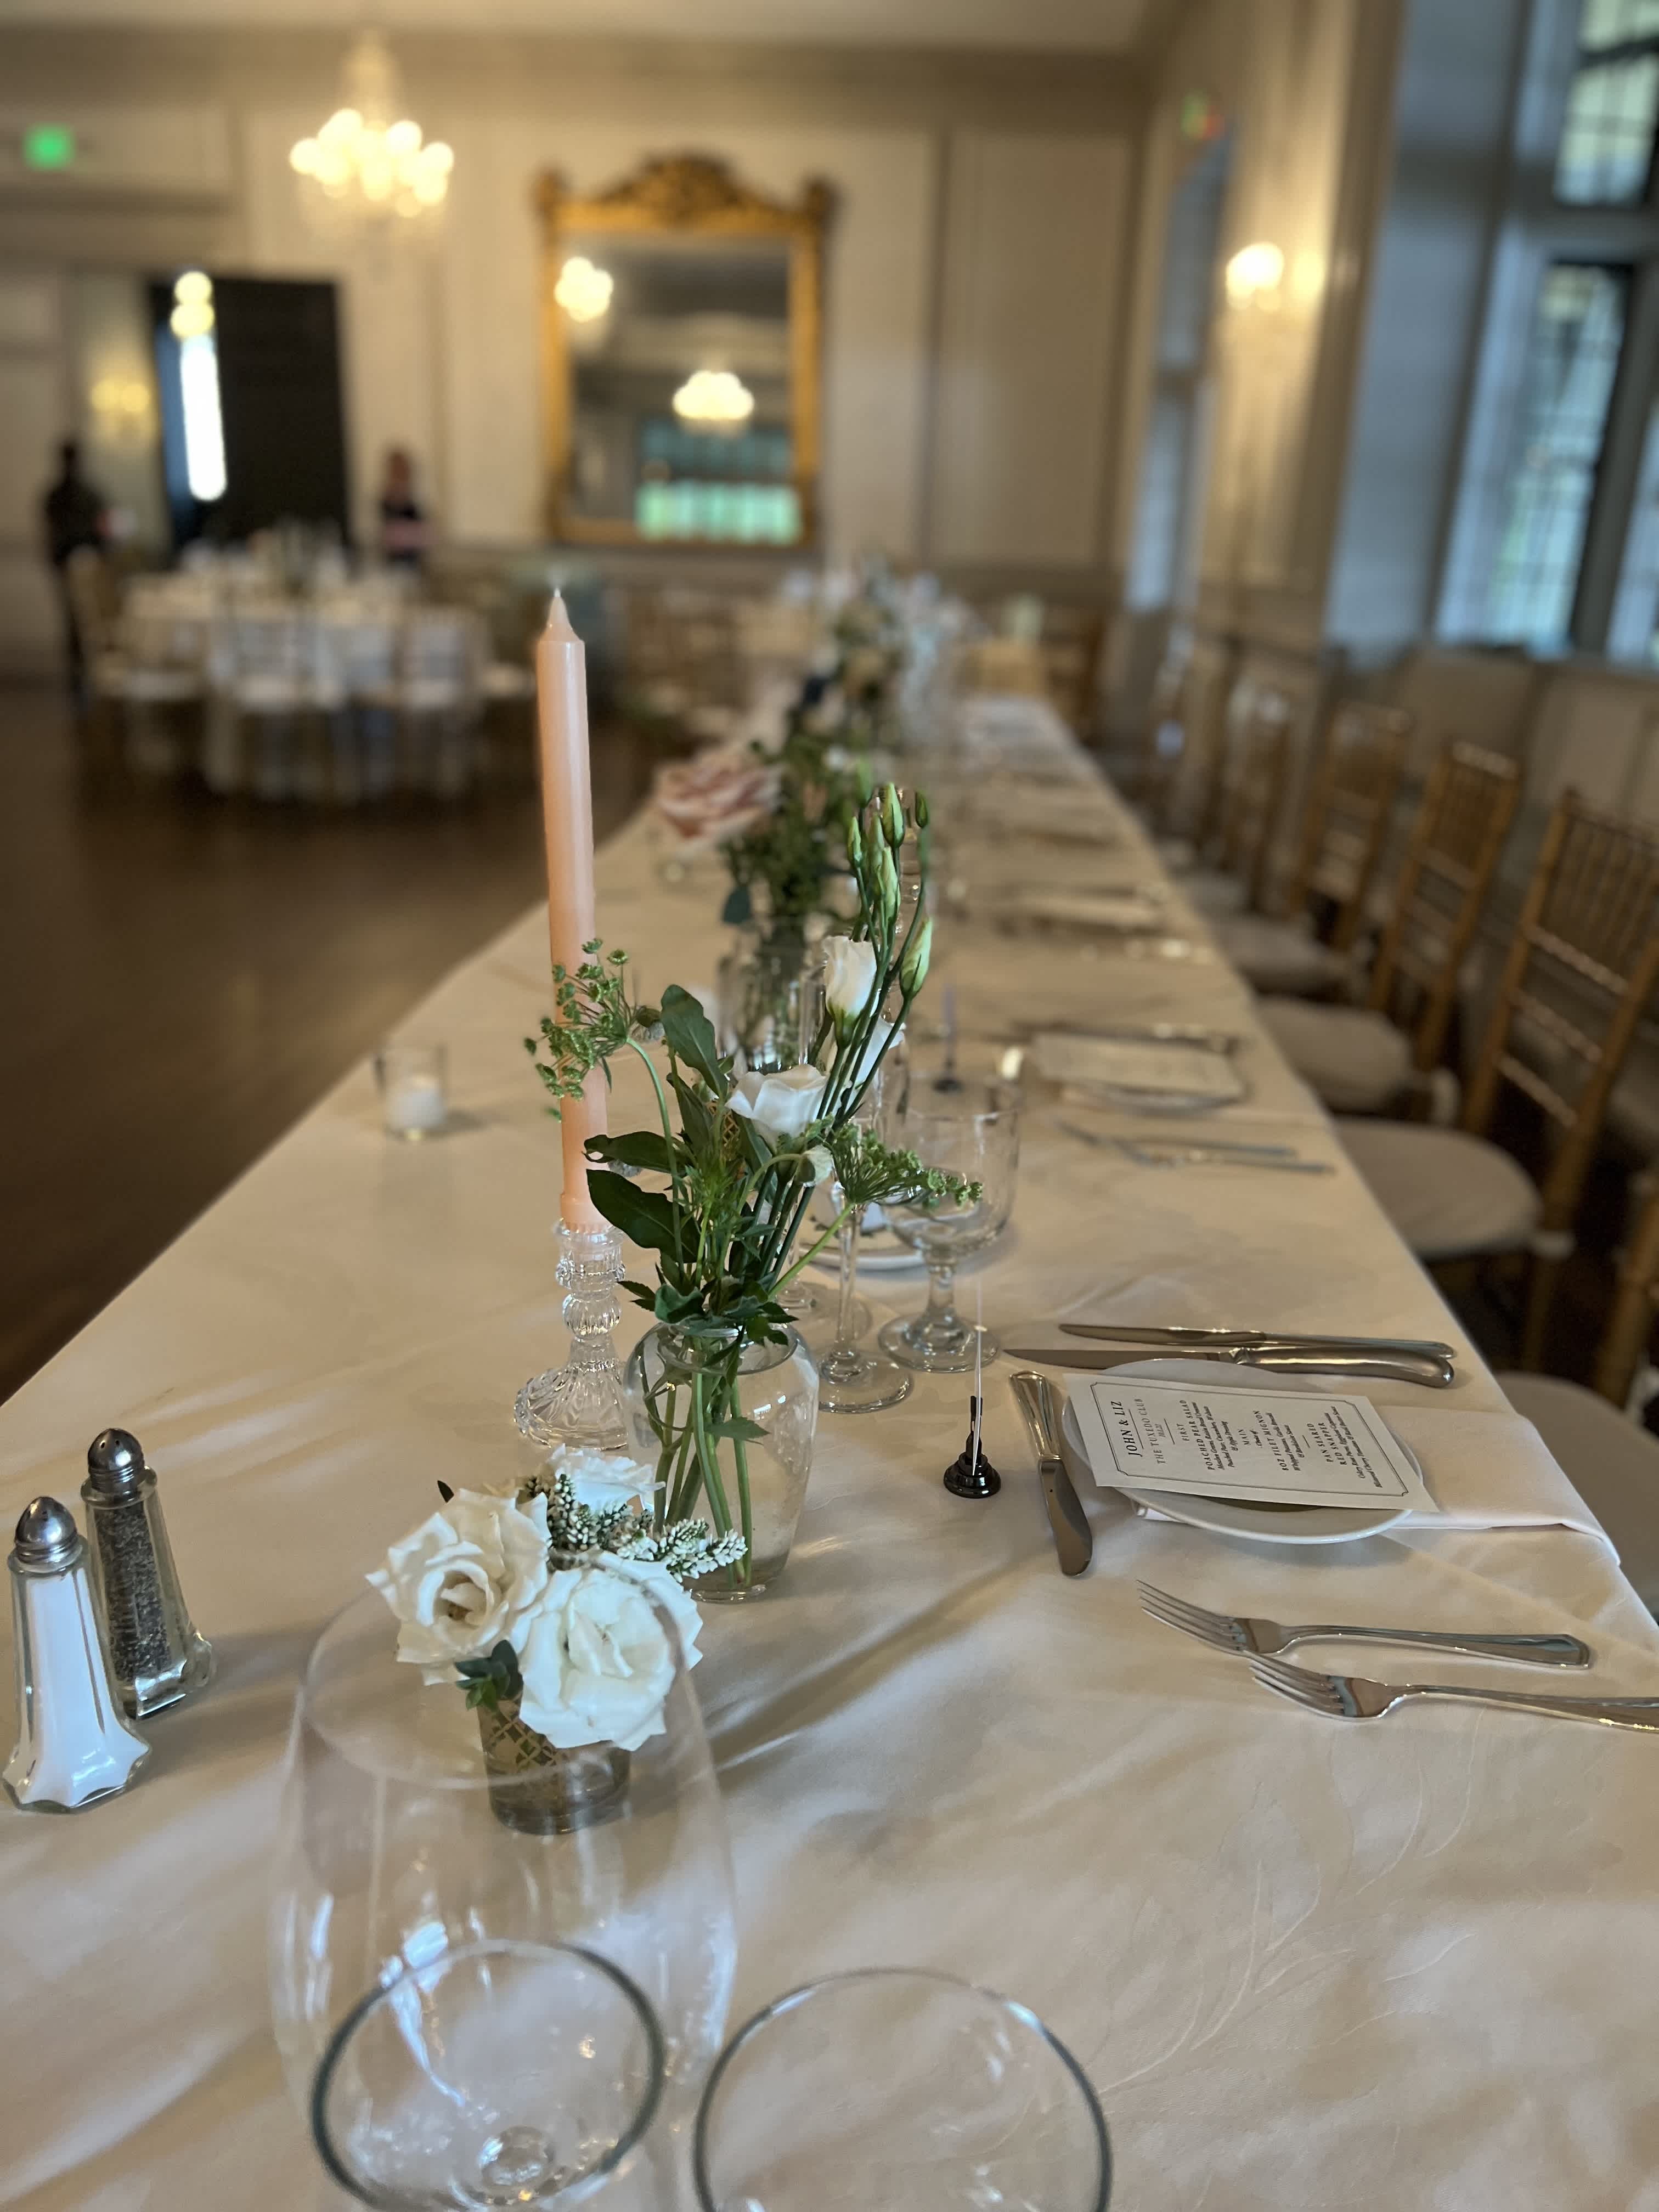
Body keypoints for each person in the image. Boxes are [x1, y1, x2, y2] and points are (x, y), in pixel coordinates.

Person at [41, 439, 106, 699]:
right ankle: (79, 676)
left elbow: (101, 529)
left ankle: (88, 674)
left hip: (88, 564)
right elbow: (51, 533)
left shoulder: (88, 495)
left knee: (87, 622)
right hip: (68, 566)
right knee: (76, 622)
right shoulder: (58, 496)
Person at [377, 446, 432, 571]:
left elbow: (426, 533)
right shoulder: (387, 498)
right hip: (395, 561)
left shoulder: (414, 497)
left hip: (414, 560)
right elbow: (389, 535)